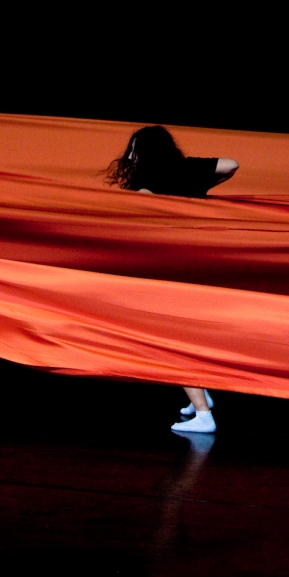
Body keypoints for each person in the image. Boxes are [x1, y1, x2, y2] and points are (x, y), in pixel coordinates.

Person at [106, 125, 238, 434]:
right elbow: (232, 164)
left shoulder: (144, 189)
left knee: (172, 341)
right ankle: (199, 398)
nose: (128, 155)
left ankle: (204, 414)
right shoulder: (188, 170)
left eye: (133, 149)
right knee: (188, 337)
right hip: (200, 265)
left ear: (142, 153)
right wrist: (202, 179)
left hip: (168, 274)